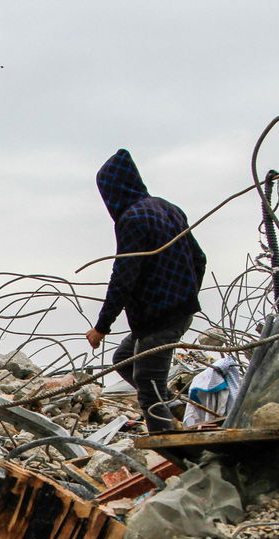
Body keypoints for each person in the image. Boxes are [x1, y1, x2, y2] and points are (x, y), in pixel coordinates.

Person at [85, 149, 206, 433]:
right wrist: (187, 296)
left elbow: (123, 277)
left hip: (158, 319)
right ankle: (182, 414)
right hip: (174, 312)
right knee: (124, 360)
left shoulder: (132, 219)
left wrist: (101, 327)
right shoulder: (168, 208)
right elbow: (199, 258)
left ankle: (179, 455)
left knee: (149, 391)